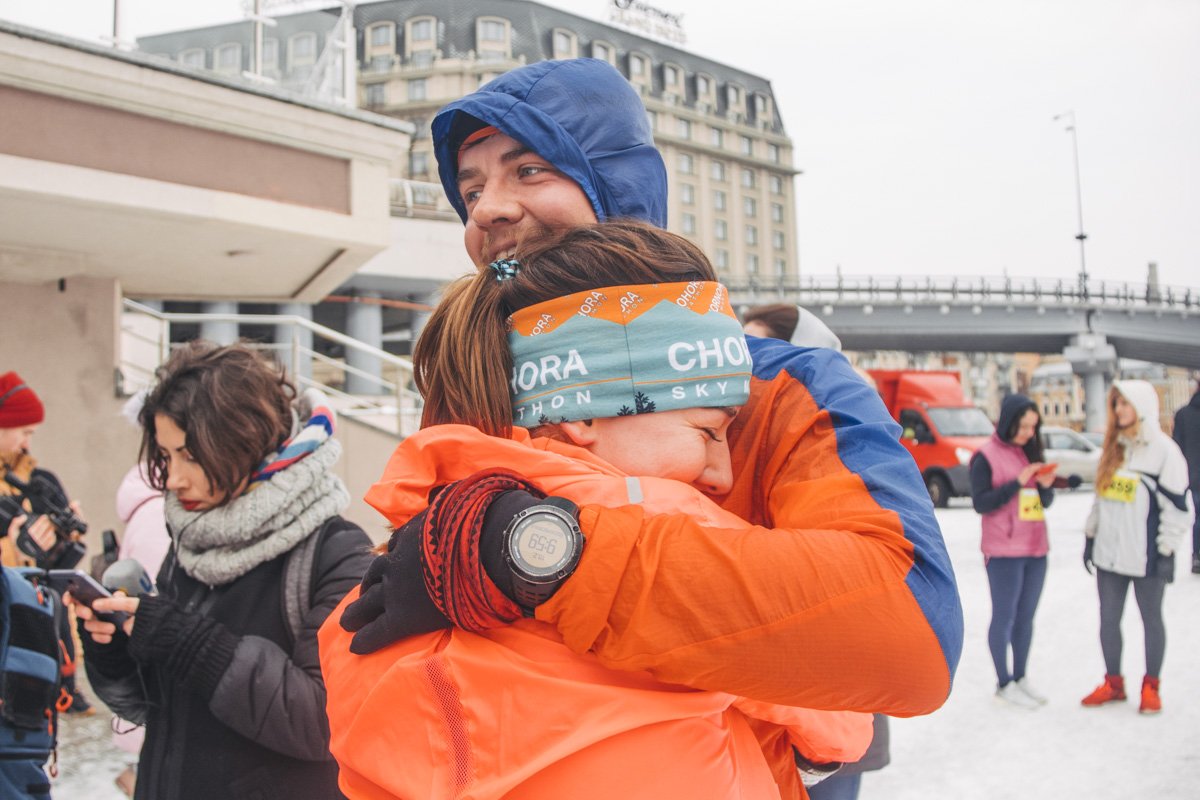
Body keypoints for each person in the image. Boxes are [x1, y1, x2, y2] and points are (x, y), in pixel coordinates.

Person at [342, 57, 962, 718]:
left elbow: (910, 631)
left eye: (530, 170)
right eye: (470, 191)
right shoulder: (473, 386)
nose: (487, 210)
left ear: (621, 188)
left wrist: (537, 549)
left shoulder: (787, 386)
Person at [325, 220, 873, 798]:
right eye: (707, 431)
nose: (723, 474)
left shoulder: (397, 569)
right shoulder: (670, 523)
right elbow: (839, 710)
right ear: (583, 414)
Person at [70, 342, 374, 799]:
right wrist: (113, 649)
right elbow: (158, 708)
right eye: (167, 456)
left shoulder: (338, 552)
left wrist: (186, 641)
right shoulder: (193, 537)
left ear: (244, 439)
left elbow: (322, 721)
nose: (173, 479)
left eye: (190, 456)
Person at [1080, 379, 1193, 714]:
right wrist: (1091, 537)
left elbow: (1179, 509)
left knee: (1151, 619)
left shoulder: (1164, 452)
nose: (1119, 410)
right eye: (1115, 404)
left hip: (1147, 557)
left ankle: (1151, 686)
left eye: (1125, 403)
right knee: (1108, 620)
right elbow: (1101, 500)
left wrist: (1166, 550)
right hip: (1109, 556)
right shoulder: (1114, 448)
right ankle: (1114, 683)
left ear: (1143, 406)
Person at [0, 371, 94, 715]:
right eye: (24, 432)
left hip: (44, 621)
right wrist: (16, 551)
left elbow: (58, 565)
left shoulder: (40, 481)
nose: (27, 443)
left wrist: (65, 537)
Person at [968, 394, 1056, 709]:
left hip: (1036, 548)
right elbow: (981, 503)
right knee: (1004, 616)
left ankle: (1021, 677)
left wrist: (1044, 486)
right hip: (1003, 551)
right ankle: (1003, 682)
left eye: (1033, 427)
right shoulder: (986, 456)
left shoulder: (1029, 451)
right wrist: (1017, 483)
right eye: (1023, 426)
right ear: (1009, 422)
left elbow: (1043, 503)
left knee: (1026, 617)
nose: (1028, 433)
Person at [1171, 378, 1200, 574]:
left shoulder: (1183, 414)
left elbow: (1177, 448)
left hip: (1194, 476)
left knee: (1199, 516)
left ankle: (1197, 556)